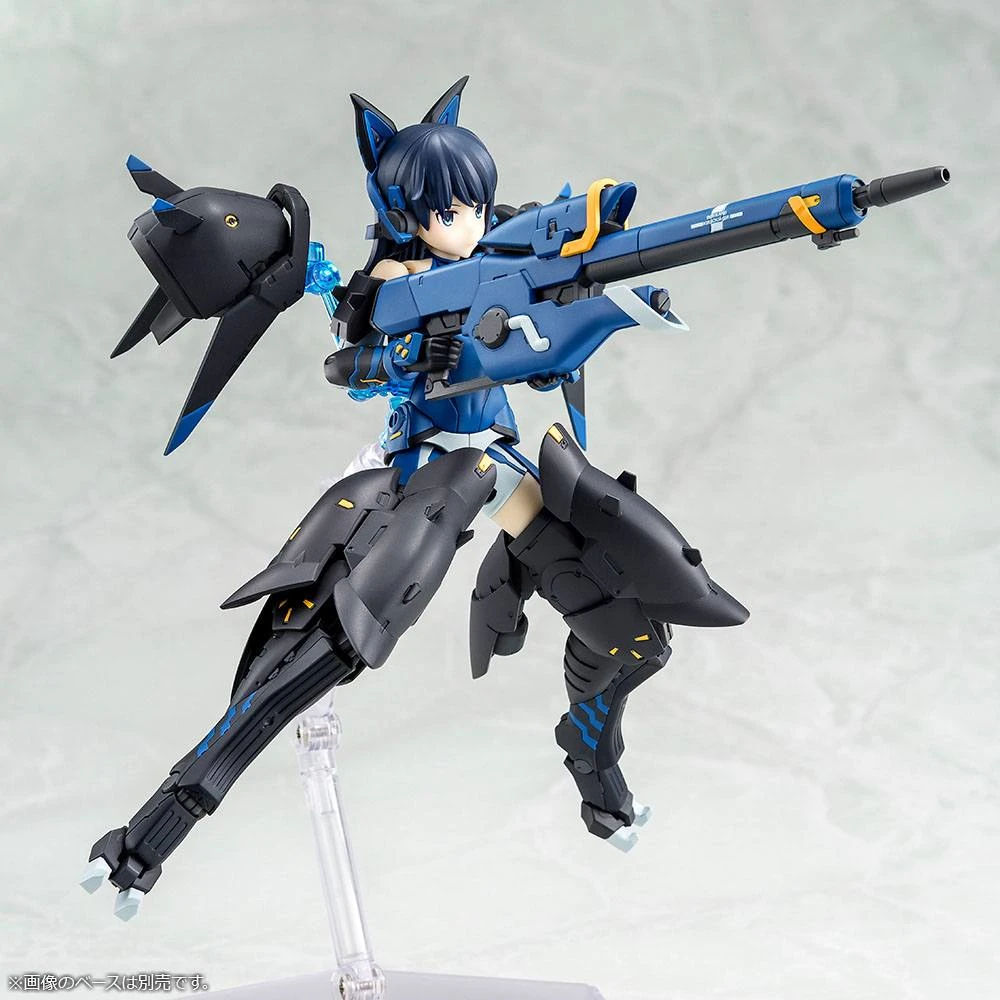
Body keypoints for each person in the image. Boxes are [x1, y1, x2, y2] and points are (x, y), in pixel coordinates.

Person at [85, 77, 747, 912]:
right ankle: (157, 827)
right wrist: (407, 358)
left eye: (476, 206)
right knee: (345, 632)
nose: (468, 224)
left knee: (631, 618)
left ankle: (595, 771)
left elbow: (540, 334)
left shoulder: (497, 258)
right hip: (426, 464)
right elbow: (346, 365)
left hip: (497, 456)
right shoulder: (385, 288)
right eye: (450, 212)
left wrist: (585, 317)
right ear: (408, 212)